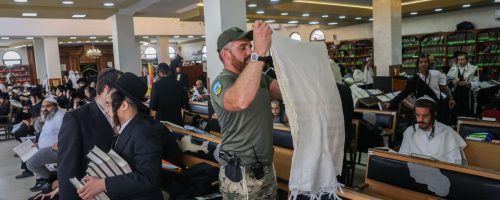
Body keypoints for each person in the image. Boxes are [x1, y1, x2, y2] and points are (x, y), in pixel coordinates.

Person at [211, 22, 282, 199]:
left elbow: (283, 92)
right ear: (225, 54)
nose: (250, 52)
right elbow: (240, 101)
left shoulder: (259, 77)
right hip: (240, 171)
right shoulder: (220, 83)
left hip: (265, 166)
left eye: (250, 46)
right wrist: (259, 54)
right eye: (243, 47)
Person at [77, 72, 162, 200]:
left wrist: (103, 184)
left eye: (108, 104)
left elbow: (148, 178)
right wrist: (101, 179)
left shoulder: (144, 131)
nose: (106, 110)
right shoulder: (126, 127)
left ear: (123, 105)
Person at [57, 68, 123, 199]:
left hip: (122, 188)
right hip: (93, 193)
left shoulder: (123, 109)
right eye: (121, 90)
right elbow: (67, 168)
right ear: (106, 89)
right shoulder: (76, 119)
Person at [384, 55, 455, 125]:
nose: (423, 64)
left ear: (428, 63)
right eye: (421, 62)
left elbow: (443, 87)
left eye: (425, 62)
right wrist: (391, 103)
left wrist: (451, 98)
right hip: (424, 110)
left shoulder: (436, 74)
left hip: (438, 107)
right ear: (418, 64)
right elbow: (404, 93)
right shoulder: (414, 80)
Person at [399, 96, 467, 165]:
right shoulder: (409, 131)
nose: (420, 120)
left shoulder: (448, 133)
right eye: (418, 115)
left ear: (434, 114)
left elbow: (455, 163)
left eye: (425, 116)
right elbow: (403, 156)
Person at [27, 96, 66, 192]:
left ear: (55, 106)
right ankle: (43, 181)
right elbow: (46, 133)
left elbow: (68, 134)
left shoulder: (62, 116)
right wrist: (37, 143)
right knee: (26, 155)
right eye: (43, 106)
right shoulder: (49, 116)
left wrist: (60, 144)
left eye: (48, 106)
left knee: (31, 164)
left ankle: (52, 179)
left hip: (55, 149)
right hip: (43, 147)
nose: (44, 108)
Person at [447, 52, 479, 121]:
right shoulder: (453, 69)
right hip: (455, 96)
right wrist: (453, 82)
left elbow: (477, 83)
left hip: (467, 96)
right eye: (459, 59)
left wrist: (468, 83)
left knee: (467, 116)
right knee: (455, 116)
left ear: (467, 60)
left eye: (462, 59)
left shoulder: (473, 69)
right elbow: (446, 83)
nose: (460, 61)